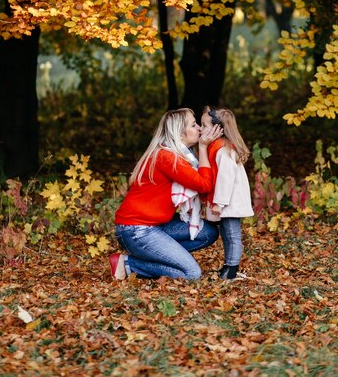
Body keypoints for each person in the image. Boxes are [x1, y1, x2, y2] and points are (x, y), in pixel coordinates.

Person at [109, 108, 222, 281]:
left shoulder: (180, 155)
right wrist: (204, 146)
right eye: (193, 125)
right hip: (136, 230)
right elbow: (204, 185)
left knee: (208, 232)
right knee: (192, 274)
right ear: (179, 133)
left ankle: (163, 256)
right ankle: (129, 264)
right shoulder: (168, 157)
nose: (199, 128)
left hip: (157, 225)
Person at [201, 106, 254, 280]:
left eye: (204, 125)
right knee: (227, 235)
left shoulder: (223, 150)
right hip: (227, 202)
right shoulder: (216, 148)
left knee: (232, 235)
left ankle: (231, 271)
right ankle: (227, 267)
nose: (201, 129)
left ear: (219, 129)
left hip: (230, 202)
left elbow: (225, 179)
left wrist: (220, 203)